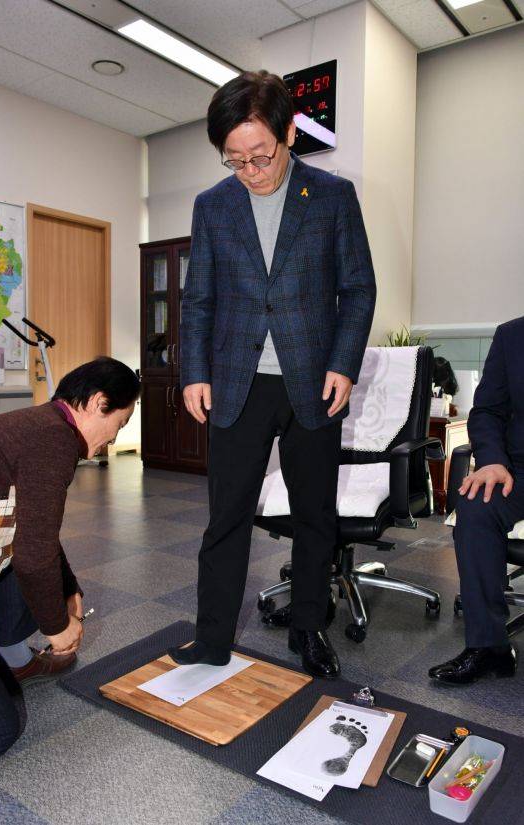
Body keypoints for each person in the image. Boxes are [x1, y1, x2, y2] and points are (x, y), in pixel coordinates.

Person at [168, 71, 376, 678]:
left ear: (289, 135)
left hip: (313, 380)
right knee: (226, 517)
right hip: (237, 382)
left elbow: (358, 289)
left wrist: (342, 363)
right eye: (235, 160)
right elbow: (198, 299)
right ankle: (212, 638)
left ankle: (308, 628)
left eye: (260, 155)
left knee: (315, 513)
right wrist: (193, 372)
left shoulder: (332, 196)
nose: (250, 171)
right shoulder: (213, 205)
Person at [0, 356, 139, 758]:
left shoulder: (41, 425)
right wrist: (57, 627)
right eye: (119, 424)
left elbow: (36, 532)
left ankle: (16, 660)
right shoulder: (54, 440)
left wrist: (69, 588)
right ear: (98, 402)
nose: (113, 439)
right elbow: (33, 557)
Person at [429, 317, 524, 685]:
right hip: (515, 470)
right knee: (475, 505)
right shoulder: (512, 335)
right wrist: (492, 461)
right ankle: (489, 646)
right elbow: (487, 410)